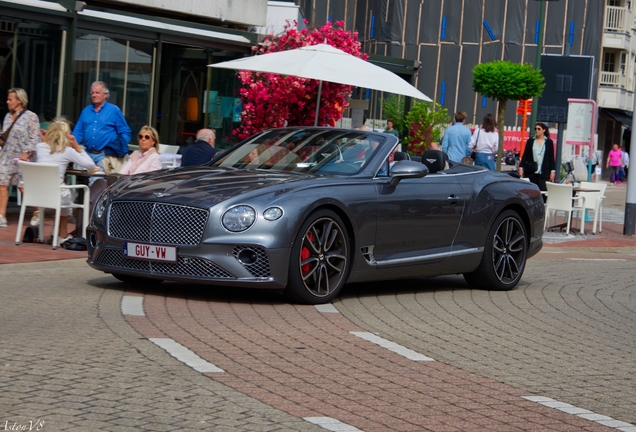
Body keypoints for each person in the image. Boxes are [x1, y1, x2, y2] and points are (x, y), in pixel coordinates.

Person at [35, 118, 97, 246]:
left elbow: (47, 155)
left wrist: (44, 140)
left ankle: (55, 230)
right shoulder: (67, 151)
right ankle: (62, 234)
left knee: (64, 191)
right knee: (68, 193)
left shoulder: (39, 147)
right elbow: (90, 165)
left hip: (38, 194)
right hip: (56, 194)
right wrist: (77, 147)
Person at [0, 88, 39, 228]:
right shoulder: (7, 117)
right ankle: (2, 216)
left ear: (19, 100)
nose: (7, 102)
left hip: (24, 157)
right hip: (7, 156)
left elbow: (35, 139)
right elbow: (6, 136)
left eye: (10, 99)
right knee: (2, 183)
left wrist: (27, 153)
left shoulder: (31, 116)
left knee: (24, 186)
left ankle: (37, 210)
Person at [73, 81, 131, 172]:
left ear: (105, 95)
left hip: (104, 155)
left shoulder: (114, 110)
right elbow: (78, 132)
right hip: (86, 154)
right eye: (92, 93)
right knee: (79, 179)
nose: (94, 95)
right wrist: (73, 147)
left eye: (97, 92)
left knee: (96, 181)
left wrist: (119, 147)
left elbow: (125, 132)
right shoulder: (86, 111)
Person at [518, 123, 556, 192]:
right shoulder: (530, 141)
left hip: (544, 172)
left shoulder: (549, 143)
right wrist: (521, 167)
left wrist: (552, 171)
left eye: (539, 129)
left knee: (543, 191)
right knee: (531, 191)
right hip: (532, 171)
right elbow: (525, 155)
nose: (537, 130)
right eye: (535, 129)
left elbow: (551, 158)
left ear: (544, 130)